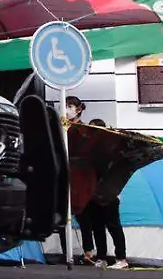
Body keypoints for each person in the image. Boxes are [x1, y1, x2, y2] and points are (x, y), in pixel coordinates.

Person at [57, 96, 98, 266]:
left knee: (83, 216)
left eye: (70, 106)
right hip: (63, 176)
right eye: (65, 106)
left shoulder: (84, 130)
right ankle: (66, 253)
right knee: (61, 217)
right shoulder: (60, 127)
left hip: (80, 179)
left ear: (78, 109)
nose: (67, 109)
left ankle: (88, 251)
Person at [85, 118, 129, 269]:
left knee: (114, 227)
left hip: (110, 195)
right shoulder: (89, 149)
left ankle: (121, 259)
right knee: (97, 227)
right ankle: (101, 257)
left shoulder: (112, 150)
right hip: (93, 194)